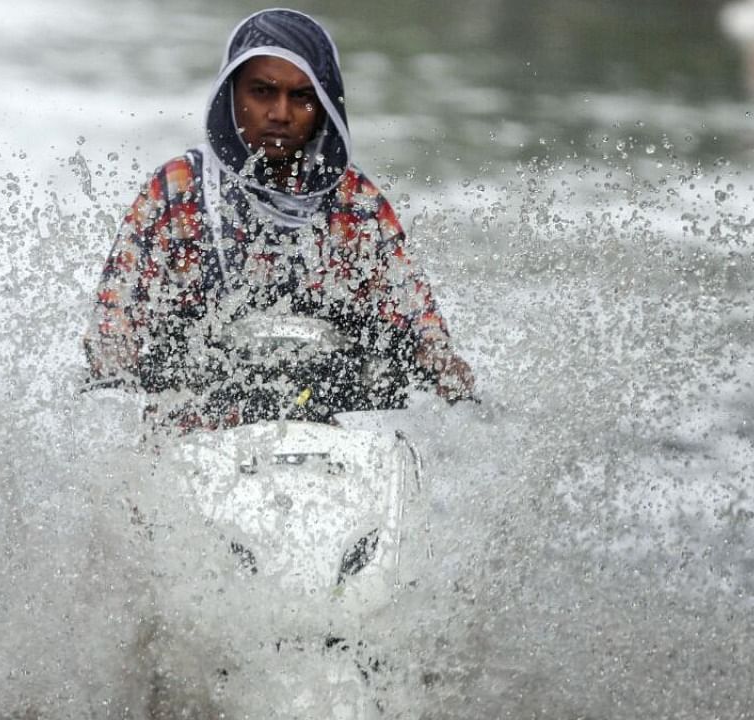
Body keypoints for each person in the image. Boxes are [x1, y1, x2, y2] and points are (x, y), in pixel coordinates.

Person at [83, 8, 474, 429]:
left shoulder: (356, 204)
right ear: (230, 94)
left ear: (324, 106)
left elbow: (416, 319)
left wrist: (445, 369)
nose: (281, 114)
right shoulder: (178, 191)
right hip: (193, 433)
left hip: (328, 436)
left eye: (302, 97)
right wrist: (113, 371)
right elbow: (115, 319)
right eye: (263, 92)